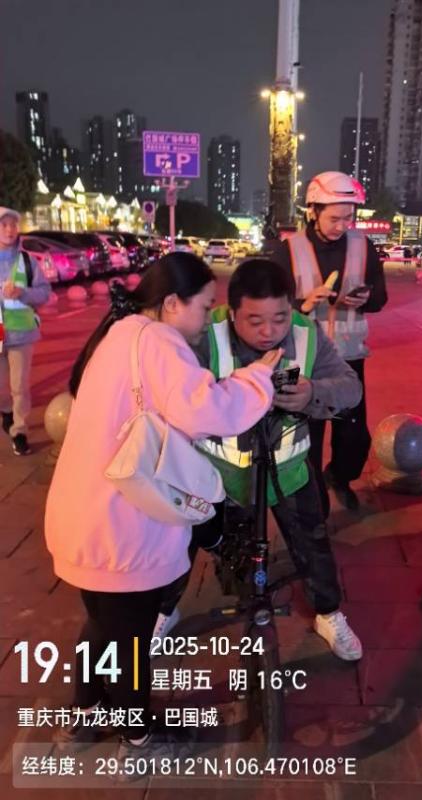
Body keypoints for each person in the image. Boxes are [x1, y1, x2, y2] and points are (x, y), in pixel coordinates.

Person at [44, 253, 281, 761]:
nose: (207, 319)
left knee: (104, 625)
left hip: (84, 515)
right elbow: (208, 411)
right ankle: (138, 740)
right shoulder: (158, 341)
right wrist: (257, 378)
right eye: (204, 306)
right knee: (128, 640)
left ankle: (83, 718)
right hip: (123, 523)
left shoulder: (120, 334)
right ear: (172, 303)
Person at [157, 259, 364, 661]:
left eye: (280, 318)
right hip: (216, 475)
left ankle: (328, 613)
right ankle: (165, 610)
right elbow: (172, 394)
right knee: (183, 544)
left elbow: (349, 387)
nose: (269, 331)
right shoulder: (205, 335)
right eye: (254, 321)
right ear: (232, 312)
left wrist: (313, 393)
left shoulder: (306, 333)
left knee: (313, 546)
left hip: (289, 471)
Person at [271, 172, 388, 513]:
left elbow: (380, 298)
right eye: (334, 218)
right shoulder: (288, 250)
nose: (341, 226)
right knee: (300, 436)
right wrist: (302, 304)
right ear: (313, 211)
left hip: (348, 357)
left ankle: (339, 476)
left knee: (353, 435)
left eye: (348, 218)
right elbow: (269, 305)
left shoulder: (363, 247)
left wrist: (364, 299)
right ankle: (312, 509)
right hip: (295, 359)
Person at [0, 207, 50, 455]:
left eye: (13, 225)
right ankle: (6, 411)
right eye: (4, 225)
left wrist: (23, 292)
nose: (10, 230)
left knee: (19, 386)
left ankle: (19, 430)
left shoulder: (27, 261)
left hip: (21, 333)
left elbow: (45, 292)